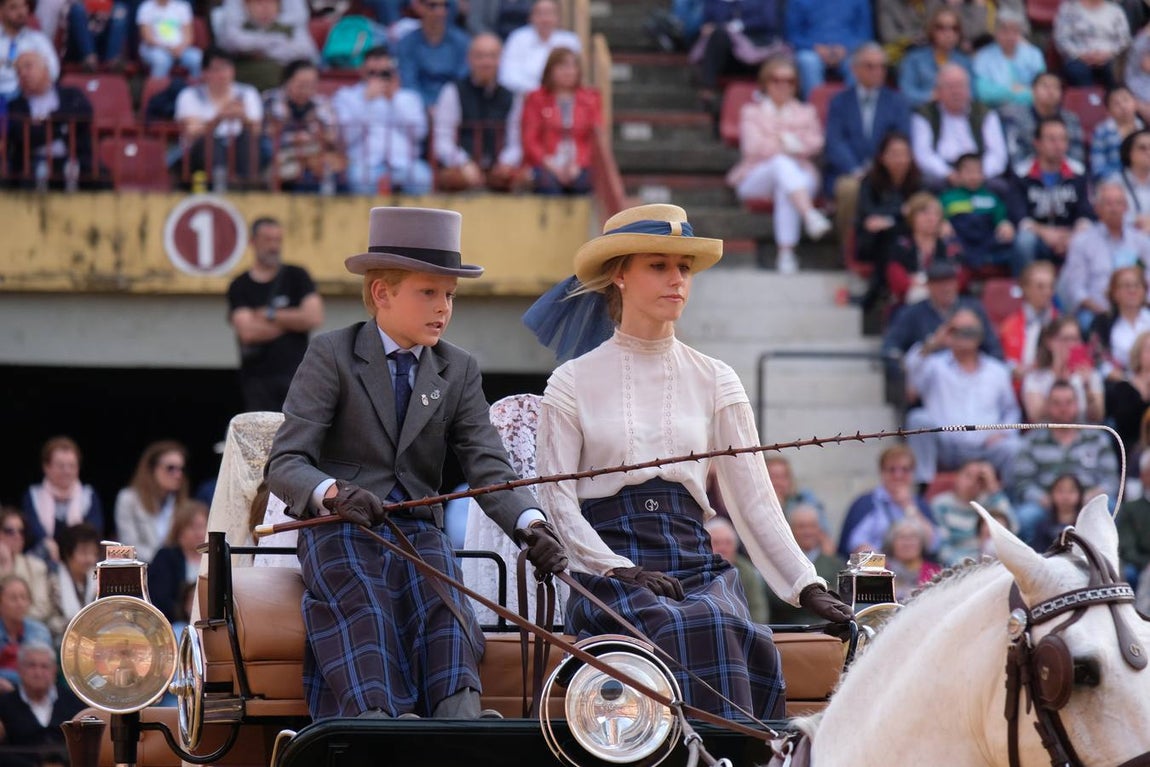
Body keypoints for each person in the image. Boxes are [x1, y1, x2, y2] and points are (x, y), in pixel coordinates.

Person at [532, 203, 852, 720]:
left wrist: (805, 584)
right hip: (609, 562)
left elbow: (755, 498)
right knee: (689, 627)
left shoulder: (717, 378)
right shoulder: (570, 382)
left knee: (738, 631)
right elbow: (557, 501)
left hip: (695, 559)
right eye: (658, 266)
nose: (677, 279)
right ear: (619, 275)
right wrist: (619, 569)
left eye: (684, 267)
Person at [266, 206, 568, 720]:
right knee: (363, 605)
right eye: (428, 293)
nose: (443, 308)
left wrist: (531, 524)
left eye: (449, 295)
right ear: (382, 292)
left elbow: (489, 467)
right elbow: (286, 461)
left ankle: (461, 723)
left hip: (420, 534)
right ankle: (378, 724)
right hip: (341, 528)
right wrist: (334, 493)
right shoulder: (331, 354)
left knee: (446, 609)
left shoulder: (459, 369)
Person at [726, 56, 831, 274]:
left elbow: (817, 143)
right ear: (765, 82)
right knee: (781, 163)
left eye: (789, 81)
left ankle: (786, 254)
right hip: (756, 175)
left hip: (801, 175)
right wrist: (789, 142)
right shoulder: (751, 112)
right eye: (776, 80)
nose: (783, 85)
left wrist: (778, 140)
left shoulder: (806, 111)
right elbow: (752, 147)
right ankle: (810, 215)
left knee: (787, 186)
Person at [904, 306, 1022, 486]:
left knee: (1014, 447)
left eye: (970, 330)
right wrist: (934, 342)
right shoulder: (935, 365)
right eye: (958, 330)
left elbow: (1011, 410)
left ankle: (1010, 502)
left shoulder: (997, 370)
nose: (965, 335)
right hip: (946, 446)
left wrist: (1004, 433)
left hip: (985, 448)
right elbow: (911, 372)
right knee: (918, 419)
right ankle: (923, 487)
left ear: (980, 335)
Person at [227, 216, 325, 413]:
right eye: (267, 240)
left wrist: (269, 315)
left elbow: (314, 317)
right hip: (258, 380)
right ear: (253, 242)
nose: (274, 246)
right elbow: (248, 332)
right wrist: (293, 321)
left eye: (277, 240)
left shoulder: (296, 276)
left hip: (297, 378)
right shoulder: (240, 285)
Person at [1011, 382, 1120, 547]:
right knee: (1025, 516)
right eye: (1056, 403)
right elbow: (1022, 483)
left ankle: (1103, 565)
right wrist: (1044, 498)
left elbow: (1111, 480)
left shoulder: (1097, 439)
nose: (1063, 408)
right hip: (1047, 505)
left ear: (1077, 404)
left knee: (1110, 507)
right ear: (1047, 406)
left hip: (1087, 502)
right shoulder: (1032, 441)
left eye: (1068, 402)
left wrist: (1092, 496)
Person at [823, 43, 912, 235]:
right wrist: (856, 170)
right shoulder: (839, 101)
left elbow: (901, 139)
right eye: (870, 66)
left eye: (881, 66)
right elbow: (835, 141)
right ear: (855, 69)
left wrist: (879, 168)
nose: (877, 71)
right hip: (849, 172)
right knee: (849, 189)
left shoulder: (897, 101)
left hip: (888, 170)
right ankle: (848, 248)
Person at [433, 33, 526, 192]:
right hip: (462, 169)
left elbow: (516, 141)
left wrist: (505, 163)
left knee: (523, 180)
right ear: (469, 59)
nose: (486, 62)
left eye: (492, 56)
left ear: (500, 59)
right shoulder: (453, 91)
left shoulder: (512, 96)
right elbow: (442, 140)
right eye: (480, 56)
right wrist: (464, 163)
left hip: (497, 170)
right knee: (449, 178)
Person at [333, 47, 432, 196]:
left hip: (404, 163)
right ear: (362, 71)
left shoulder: (409, 98)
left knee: (422, 178)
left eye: (384, 73)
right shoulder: (346, 97)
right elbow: (343, 138)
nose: (378, 78)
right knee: (360, 180)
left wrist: (394, 100)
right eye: (372, 73)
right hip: (364, 164)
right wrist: (365, 102)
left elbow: (419, 133)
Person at [1057, 181, 1150, 330]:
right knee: (1087, 322)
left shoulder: (1141, 241)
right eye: (1108, 203)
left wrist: (1138, 307)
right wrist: (1103, 311)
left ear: (1126, 207)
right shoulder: (1082, 242)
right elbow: (1076, 288)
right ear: (1097, 209)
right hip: (1097, 311)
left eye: (1119, 203)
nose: (1114, 209)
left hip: (1137, 309)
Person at [1007, 117, 1094, 269]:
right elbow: (1020, 218)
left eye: (1062, 139)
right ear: (1037, 143)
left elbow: (1085, 214)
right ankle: (1024, 289)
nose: (1058, 145)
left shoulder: (1078, 173)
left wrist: (1071, 236)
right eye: (1051, 139)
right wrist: (1045, 233)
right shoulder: (1021, 174)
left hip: (1070, 236)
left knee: (1088, 237)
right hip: (1037, 236)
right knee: (1024, 241)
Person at [4, 50, 94, 191]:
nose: (23, 73)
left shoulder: (71, 94)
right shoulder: (15, 106)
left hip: (74, 159)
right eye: (18, 71)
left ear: (45, 68)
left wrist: (45, 122)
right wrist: (62, 127)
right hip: (33, 164)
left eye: (28, 67)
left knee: (99, 176)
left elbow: (85, 115)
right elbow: (24, 135)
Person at [174, 48, 264, 188]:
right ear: (204, 73)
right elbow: (192, 133)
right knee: (210, 143)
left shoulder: (247, 93)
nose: (222, 75)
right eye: (216, 70)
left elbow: (256, 131)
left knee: (249, 139)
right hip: (200, 156)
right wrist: (219, 118)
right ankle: (220, 186)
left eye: (226, 69)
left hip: (237, 148)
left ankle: (246, 185)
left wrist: (242, 117)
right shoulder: (190, 95)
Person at [909, 63, 1008, 190]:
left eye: (961, 86)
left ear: (969, 89)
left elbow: (998, 154)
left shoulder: (985, 113)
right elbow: (923, 154)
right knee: (928, 184)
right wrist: (948, 174)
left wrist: (978, 174)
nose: (956, 92)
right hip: (943, 171)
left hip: (979, 169)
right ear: (938, 91)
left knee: (1002, 187)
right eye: (950, 87)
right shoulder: (924, 115)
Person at [853, 131, 923, 308]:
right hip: (873, 240)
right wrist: (900, 213)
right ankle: (880, 289)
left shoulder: (918, 181)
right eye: (894, 154)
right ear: (882, 157)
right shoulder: (870, 182)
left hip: (909, 235)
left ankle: (878, 290)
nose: (899, 159)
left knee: (898, 236)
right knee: (889, 237)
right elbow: (869, 213)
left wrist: (892, 217)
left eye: (904, 154)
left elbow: (919, 208)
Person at [520, 46, 600, 195]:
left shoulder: (590, 99)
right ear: (550, 70)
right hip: (546, 163)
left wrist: (578, 164)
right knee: (548, 184)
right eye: (562, 66)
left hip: (578, 163)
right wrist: (551, 164)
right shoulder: (536, 98)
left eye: (572, 66)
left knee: (583, 183)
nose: (568, 71)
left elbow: (594, 140)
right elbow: (530, 140)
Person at [263, 59, 347, 193]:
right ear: (287, 82)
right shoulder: (271, 100)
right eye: (302, 84)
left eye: (312, 84)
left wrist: (319, 139)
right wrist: (295, 139)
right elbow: (268, 134)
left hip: (313, 155)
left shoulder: (322, 104)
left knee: (332, 168)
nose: (307, 89)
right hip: (282, 155)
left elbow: (331, 136)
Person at [837, 444, 933, 560]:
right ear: (882, 472)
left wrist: (908, 506)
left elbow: (934, 544)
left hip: (915, 570)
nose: (898, 475)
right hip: (878, 569)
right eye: (892, 470)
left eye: (905, 470)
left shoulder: (920, 504)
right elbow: (854, 543)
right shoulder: (865, 503)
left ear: (913, 473)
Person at [691, 0, 787, 113]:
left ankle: (775, 99)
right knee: (718, 34)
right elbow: (710, 22)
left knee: (779, 60)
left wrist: (739, 26)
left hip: (758, 53)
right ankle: (707, 93)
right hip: (728, 58)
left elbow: (769, 21)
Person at [20, 436, 103, 566]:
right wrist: (48, 545)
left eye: (71, 466)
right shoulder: (33, 495)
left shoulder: (88, 495)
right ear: (46, 467)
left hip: (80, 559)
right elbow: (33, 532)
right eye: (60, 466)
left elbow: (93, 531)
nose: (67, 471)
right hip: (44, 560)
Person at [0, 643, 83, 767]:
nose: (38, 673)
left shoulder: (75, 702)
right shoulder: (4, 705)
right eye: (31, 666)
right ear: (19, 669)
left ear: (54, 670)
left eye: (44, 666)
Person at [939, 152, 1017, 274]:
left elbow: (1001, 220)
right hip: (960, 241)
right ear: (958, 174)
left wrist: (1005, 224)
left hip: (987, 241)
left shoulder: (992, 198)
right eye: (968, 172)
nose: (974, 176)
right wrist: (943, 223)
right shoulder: (947, 198)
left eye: (977, 171)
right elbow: (940, 219)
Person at [215, 0, 318, 92]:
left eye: (270, 2)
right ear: (246, 6)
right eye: (259, 3)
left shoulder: (288, 29)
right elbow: (232, 44)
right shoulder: (238, 29)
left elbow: (307, 52)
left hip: (281, 95)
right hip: (243, 93)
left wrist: (257, 52)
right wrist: (277, 45)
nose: (265, 8)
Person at [886, 191, 963, 313]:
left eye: (936, 214)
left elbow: (959, 276)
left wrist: (930, 285)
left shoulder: (949, 246)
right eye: (924, 213)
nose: (930, 218)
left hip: (945, 301)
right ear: (912, 217)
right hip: (908, 303)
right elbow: (897, 278)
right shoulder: (901, 245)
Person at [114, 440, 190, 563]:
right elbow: (127, 546)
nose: (178, 474)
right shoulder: (128, 499)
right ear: (152, 469)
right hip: (142, 572)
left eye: (181, 469)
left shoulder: (183, 505)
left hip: (175, 576)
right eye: (171, 468)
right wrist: (162, 562)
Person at [768, 504, 845, 623]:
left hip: (825, 631)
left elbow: (839, 600)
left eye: (812, 526)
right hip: (789, 630)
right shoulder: (779, 562)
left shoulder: (835, 564)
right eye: (801, 527)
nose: (807, 532)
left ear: (819, 529)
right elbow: (773, 597)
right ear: (790, 530)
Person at [930, 459, 1016, 566]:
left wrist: (993, 488)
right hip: (956, 568)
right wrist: (967, 566)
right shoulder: (941, 505)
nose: (972, 482)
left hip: (989, 563)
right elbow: (942, 547)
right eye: (968, 476)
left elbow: (1013, 528)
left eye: (979, 479)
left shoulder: (988, 501)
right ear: (957, 476)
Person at [1021, 316, 1105, 424]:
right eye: (1065, 339)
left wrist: (1087, 388)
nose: (1070, 345)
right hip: (1046, 436)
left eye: (1075, 339)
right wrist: (1058, 377)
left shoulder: (1090, 375)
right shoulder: (1035, 378)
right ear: (1049, 342)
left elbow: (1098, 417)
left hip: (1083, 434)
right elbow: (1036, 417)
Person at [784, 0, 873, 99]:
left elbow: (865, 34)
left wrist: (847, 48)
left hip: (848, 51)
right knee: (807, 61)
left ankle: (853, 109)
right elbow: (793, 35)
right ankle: (815, 109)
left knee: (861, 59)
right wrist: (814, 47)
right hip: (813, 51)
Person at [1000, 72, 1086, 169]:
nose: (1050, 91)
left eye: (1055, 87)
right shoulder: (1018, 118)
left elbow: (1076, 153)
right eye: (1045, 86)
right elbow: (1015, 153)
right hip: (1026, 175)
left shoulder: (1071, 119)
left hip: (1066, 174)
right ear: (1033, 90)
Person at [395, 0, 470, 109]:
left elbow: (462, 80)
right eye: (433, 6)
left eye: (444, 6)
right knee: (402, 99)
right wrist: (426, 105)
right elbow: (409, 80)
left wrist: (444, 106)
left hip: (454, 104)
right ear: (418, 7)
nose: (440, 12)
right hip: (417, 106)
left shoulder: (462, 42)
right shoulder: (407, 43)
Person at [497, 0, 580, 96]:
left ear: (558, 17)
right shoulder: (517, 38)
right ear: (530, 17)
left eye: (549, 13)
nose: (545, 19)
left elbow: (574, 75)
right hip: (524, 98)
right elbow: (507, 76)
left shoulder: (570, 41)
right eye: (539, 13)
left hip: (561, 98)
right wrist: (539, 93)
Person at [998, 261, 1058, 391]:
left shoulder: (1061, 323)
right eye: (1040, 287)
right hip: (1019, 390)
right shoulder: (1009, 326)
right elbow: (1002, 362)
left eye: (1051, 287)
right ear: (1025, 289)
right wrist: (1014, 369)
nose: (1047, 292)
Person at [898, 7, 972, 108]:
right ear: (932, 30)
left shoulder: (965, 62)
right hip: (921, 115)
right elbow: (906, 93)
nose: (948, 33)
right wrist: (933, 96)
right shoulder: (914, 59)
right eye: (941, 28)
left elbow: (972, 94)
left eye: (954, 28)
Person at [147, 500, 207, 623]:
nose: (199, 533)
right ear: (179, 530)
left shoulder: (215, 558)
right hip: (174, 624)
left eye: (202, 527)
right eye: (193, 528)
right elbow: (160, 599)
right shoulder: (165, 557)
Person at [971, 9, 1045, 108]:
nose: (1010, 36)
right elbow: (983, 93)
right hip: (996, 111)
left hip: (1031, 110)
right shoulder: (983, 57)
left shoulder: (1034, 54)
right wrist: (1011, 91)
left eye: (1015, 31)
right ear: (995, 32)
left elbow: (1043, 89)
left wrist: (1003, 93)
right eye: (1005, 31)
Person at [1088, 266, 1150, 379]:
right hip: (1121, 383)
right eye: (1126, 286)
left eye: (1137, 285)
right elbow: (1098, 358)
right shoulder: (1102, 322)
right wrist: (1126, 379)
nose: (1132, 290)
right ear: (1115, 292)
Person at [1053, 0, 1131, 89]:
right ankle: (1086, 101)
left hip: (1109, 56)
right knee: (1077, 71)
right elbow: (1061, 38)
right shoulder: (1068, 8)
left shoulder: (1116, 11)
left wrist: (1108, 54)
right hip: (1078, 57)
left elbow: (1124, 40)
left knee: (1114, 72)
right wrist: (1081, 55)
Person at [0, 510, 54, 637]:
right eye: (9, 531)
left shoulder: (36, 566)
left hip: (29, 630)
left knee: (41, 634)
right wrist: (6, 567)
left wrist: (13, 616)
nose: (17, 536)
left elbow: (42, 609)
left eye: (21, 531)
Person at [704, 516, 768, 624]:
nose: (722, 548)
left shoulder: (747, 572)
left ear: (735, 547)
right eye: (716, 543)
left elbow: (758, 611)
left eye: (728, 543)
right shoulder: (697, 570)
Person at [0, 0, 59, 104]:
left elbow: (53, 71)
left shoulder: (39, 40)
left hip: (27, 99)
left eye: (23, 6)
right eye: (14, 7)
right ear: (1, 11)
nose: (21, 12)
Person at [0, 576, 51, 692]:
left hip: (32, 692)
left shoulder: (40, 632)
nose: (20, 603)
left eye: (24, 598)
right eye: (13, 598)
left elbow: (42, 672)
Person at [51, 523, 99, 637]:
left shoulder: (100, 580)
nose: (89, 559)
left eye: (93, 553)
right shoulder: (53, 580)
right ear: (68, 553)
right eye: (83, 553)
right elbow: (49, 619)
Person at [1107, 330, 1150, 456]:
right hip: (1130, 449)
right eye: (1148, 349)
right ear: (1138, 354)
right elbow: (1124, 423)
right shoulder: (1123, 387)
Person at [136, 0, 202, 79]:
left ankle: (195, 89)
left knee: (197, 58)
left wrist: (180, 48)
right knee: (161, 60)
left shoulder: (183, 7)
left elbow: (189, 35)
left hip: (180, 49)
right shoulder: (146, 7)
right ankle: (157, 90)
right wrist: (168, 48)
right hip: (155, 48)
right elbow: (147, 37)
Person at [1090, 85, 1144, 182]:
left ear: (1135, 102)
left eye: (1126, 100)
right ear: (1109, 111)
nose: (1123, 106)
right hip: (1114, 183)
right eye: (1116, 104)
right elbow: (1098, 167)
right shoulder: (1102, 132)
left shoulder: (1145, 129)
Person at [885, 519, 941, 603]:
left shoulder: (935, 573)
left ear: (922, 543)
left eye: (913, 537)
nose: (907, 543)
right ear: (891, 543)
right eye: (901, 537)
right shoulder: (882, 573)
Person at [1031, 473, 1088, 552]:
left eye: (1071, 491)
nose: (1065, 496)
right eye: (1060, 491)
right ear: (1051, 494)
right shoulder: (1043, 526)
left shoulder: (1086, 526)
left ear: (1080, 494)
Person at [1117, 452, 1150, 585]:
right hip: (1139, 564)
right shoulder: (1130, 509)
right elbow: (1127, 548)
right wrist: (1146, 563)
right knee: (1128, 573)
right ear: (1143, 476)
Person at [1112, 128, 1150, 233]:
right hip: (1124, 240)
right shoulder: (1114, 183)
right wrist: (1134, 221)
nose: (1148, 152)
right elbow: (1108, 216)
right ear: (1129, 153)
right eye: (1142, 148)